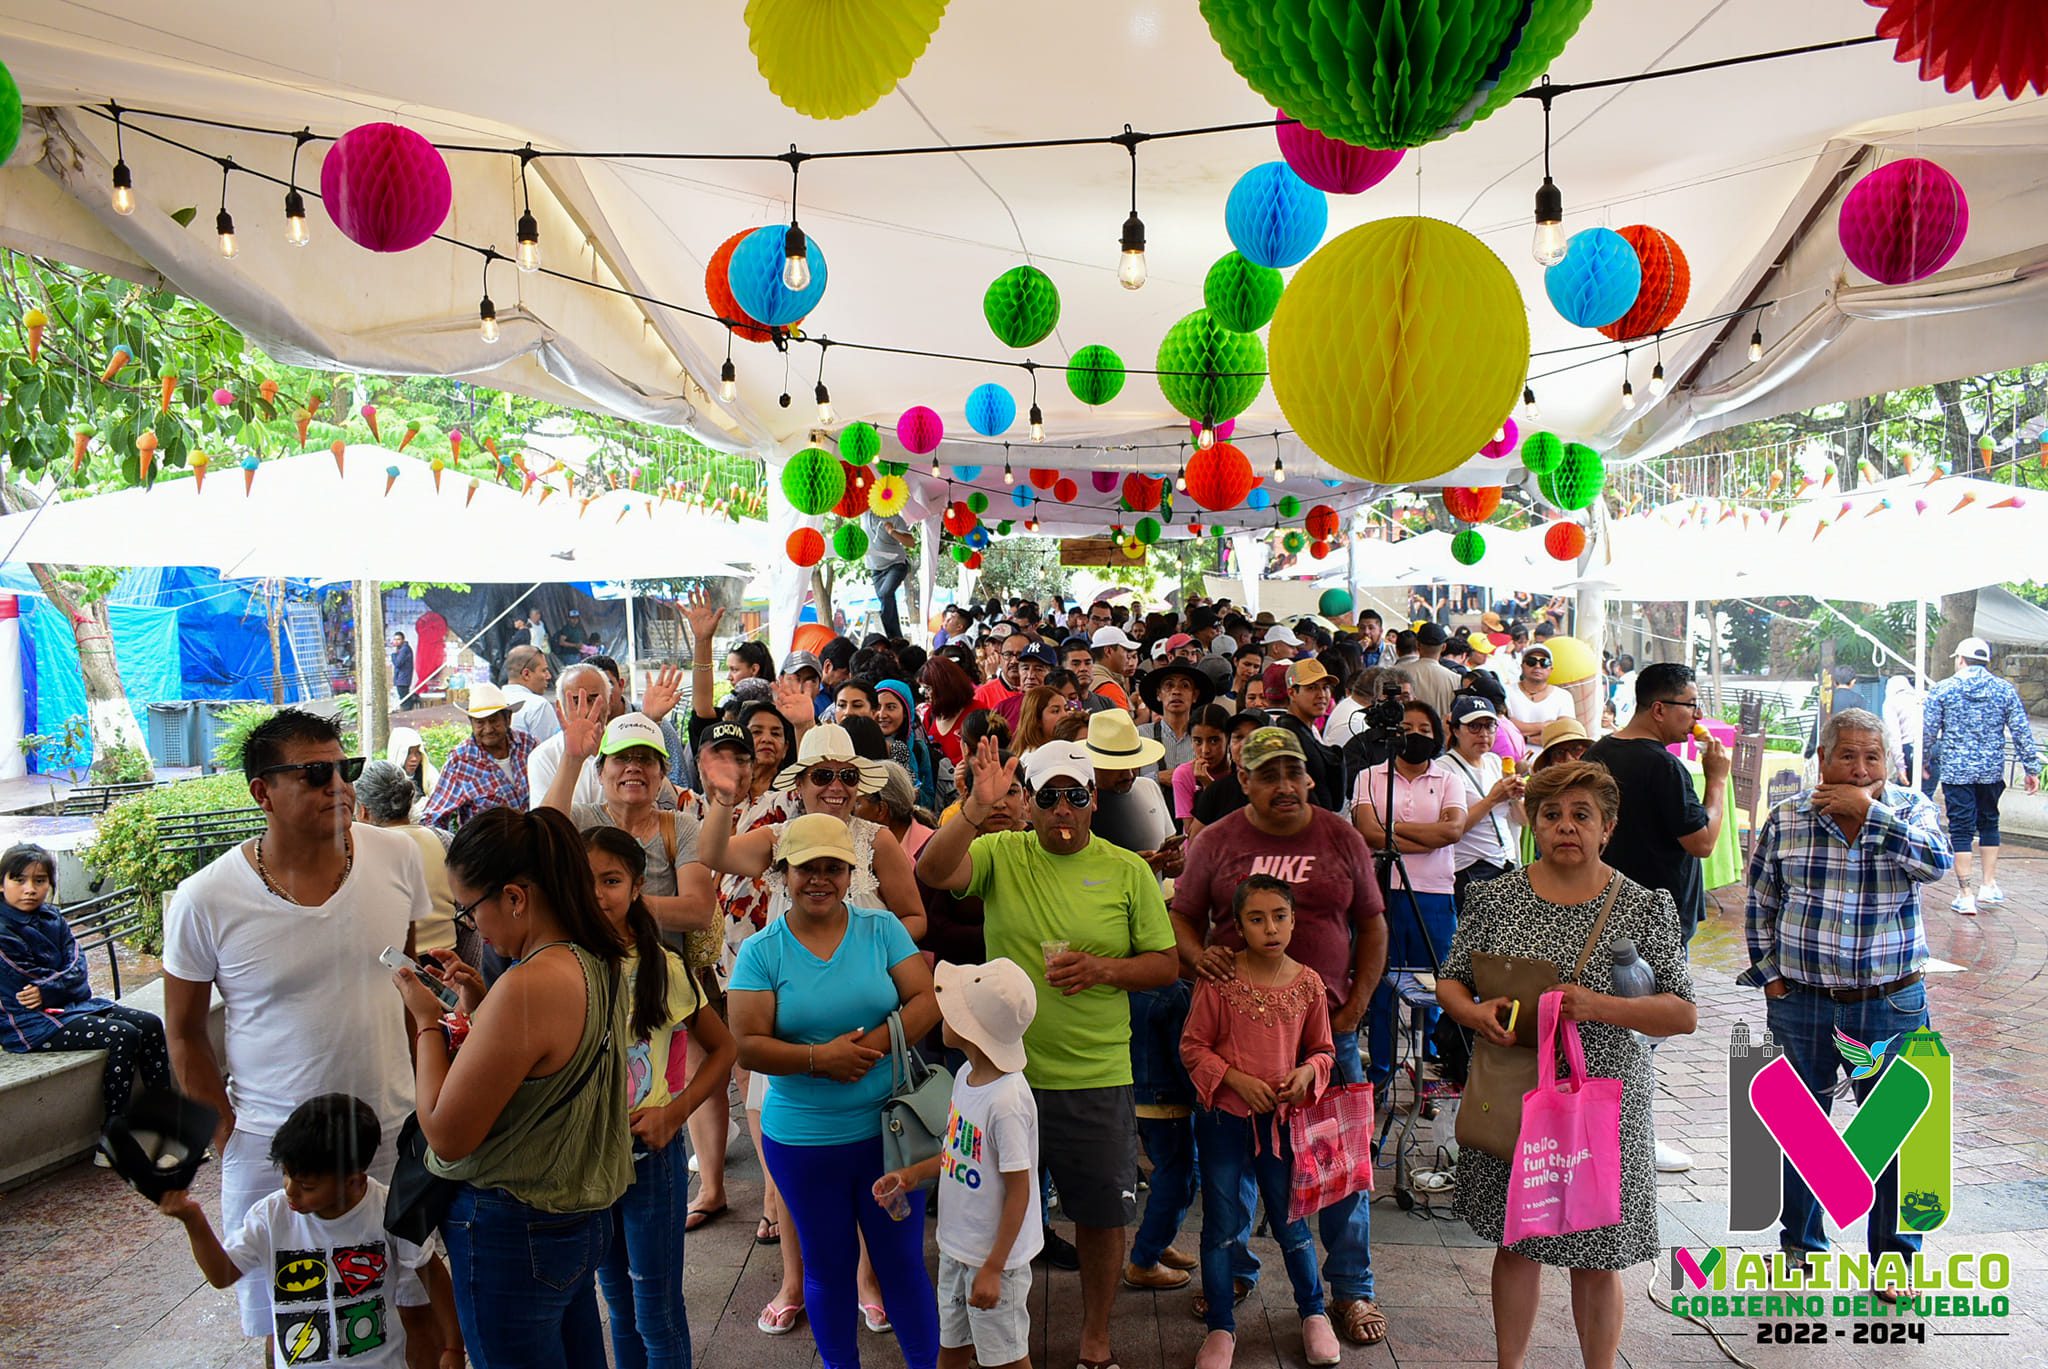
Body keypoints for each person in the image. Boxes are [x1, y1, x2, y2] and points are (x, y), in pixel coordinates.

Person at [163, 709, 429, 1352]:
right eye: (315, 774)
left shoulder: (398, 856)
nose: (338, 786)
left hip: (393, 1135)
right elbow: (184, 1034)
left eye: (347, 769)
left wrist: (427, 1102)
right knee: (293, 1328)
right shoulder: (205, 898)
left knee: (417, 1303)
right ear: (263, 792)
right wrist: (229, 1136)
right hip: (274, 1155)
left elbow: (407, 985)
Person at [916, 739, 1179, 1369]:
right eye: (1049, 796)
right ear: (1029, 804)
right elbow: (933, 873)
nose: (1063, 808)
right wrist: (975, 809)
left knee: (1099, 1212)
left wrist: (1103, 969)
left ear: (1092, 804)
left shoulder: (1127, 869)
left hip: (1095, 1072)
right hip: (1004, 1071)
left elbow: (1166, 965)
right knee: (993, 1204)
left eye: (1076, 796)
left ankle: (1095, 1334)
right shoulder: (1000, 851)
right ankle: (1002, 1330)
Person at [1436, 761, 1698, 1369]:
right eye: (1552, 814)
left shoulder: (1643, 905)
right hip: (1517, 1094)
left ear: (1607, 827)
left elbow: (1682, 1012)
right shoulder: (1496, 897)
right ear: (1532, 822)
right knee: (1519, 1242)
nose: (1566, 827)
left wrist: (1597, 1004)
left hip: (1605, 1102)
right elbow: (1450, 980)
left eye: (1582, 815)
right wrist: (1475, 1015)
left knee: (1597, 1252)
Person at [392, 807, 633, 1366]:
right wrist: (479, 1005)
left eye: (470, 911)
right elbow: (539, 1072)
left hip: (511, 1229)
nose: (474, 927)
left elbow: (447, 1134)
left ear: (516, 897)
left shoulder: (527, 985)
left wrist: (426, 1020)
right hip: (575, 1218)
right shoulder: (596, 956)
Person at [1173, 728, 1389, 1345]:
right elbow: (1183, 919)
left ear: (1311, 778)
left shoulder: (1341, 836)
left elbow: (1372, 925)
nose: (1285, 786)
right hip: (1236, 1035)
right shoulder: (1217, 841)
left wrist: (1355, 1008)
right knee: (1235, 1161)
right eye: (1268, 775)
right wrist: (1199, 959)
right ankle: (1234, 1270)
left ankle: (1350, 1290)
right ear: (1245, 781)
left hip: (1324, 1031)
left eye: (1294, 772)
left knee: (1339, 1165)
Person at [1739, 708, 1952, 1289]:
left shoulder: (1910, 811)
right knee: (1804, 1135)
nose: (1860, 768)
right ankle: (1801, 1252)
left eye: (1872, 756)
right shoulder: (1786, 820)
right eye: (1848, 755)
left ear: (1887, 762)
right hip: (1802, 1001)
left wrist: (1874, 816)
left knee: (1895, 1135)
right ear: (1823, 760)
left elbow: (1938, 866)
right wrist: (1773, 980)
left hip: (1889, 1002)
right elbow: (1760, 903)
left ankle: (1894, 1262)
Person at [728, 814, 942, 1368]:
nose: (819, 880)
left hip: (889, 1137)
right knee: (826, 1267)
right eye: (806, 869)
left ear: (853, 873)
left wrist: (866, 1048)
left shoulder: (881, 929)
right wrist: (821, 1060)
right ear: (783, 874)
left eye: (834, 868)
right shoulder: (761, 951)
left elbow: (926, 1000)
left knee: (901, 1266)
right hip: (803, 1144)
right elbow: (747, 1045)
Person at [155, 1093, 461, 1369]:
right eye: (287, 1175)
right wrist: (194, 1221)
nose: (290, 1190)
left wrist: (452, 1345)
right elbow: (222, 1275)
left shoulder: (388, 1210)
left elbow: (430, 1272)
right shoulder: (270, 1217)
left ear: (354, 1181)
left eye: (307, 1186)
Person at [584, 825, 737, 1369]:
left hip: (651, 1163)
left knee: (656, 1313)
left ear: (637, 885)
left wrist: (674, 1113)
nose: (598, 893)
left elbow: (723, 1049)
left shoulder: (661, 968)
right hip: (591, 1165)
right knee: (617, 1309)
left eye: (610, 879)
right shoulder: (562, 968)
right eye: (585, 880)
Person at [1181, 877, 1339, 1369]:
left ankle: (1314, 1313)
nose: (1269, 927)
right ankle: (1221, 1328)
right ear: (1238, 925)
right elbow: (1193, 1046)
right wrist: (1233, 1079)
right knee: (1223, 1225)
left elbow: (1324, 1051)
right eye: (1256, 918)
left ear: (1294, 921)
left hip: (1285, 1128)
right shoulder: (1220, 981)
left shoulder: (1309, 983)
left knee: (1292, 1225)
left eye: (1279, 916)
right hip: (1225, 1123)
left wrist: (1306, 1073)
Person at [875, 958, 1041, 1369]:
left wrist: (993, 1267)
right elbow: (958, 1152)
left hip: (994, 1261)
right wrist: (911, 1174)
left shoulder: (1007, 1102)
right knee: (951, 1346)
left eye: (953, 1010)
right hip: (957, 1247)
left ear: (973, 1031)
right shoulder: (967, 1075)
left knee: (1005, 1358)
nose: (941, 1014)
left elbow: (1020, 1190)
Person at [0, 841, 173, 1121]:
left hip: (70, 1007)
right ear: (1, 884)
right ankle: (113, 1137)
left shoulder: (52, 916)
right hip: (29, 1025)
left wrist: (50, 990)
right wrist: (60, 988)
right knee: (123, 1035)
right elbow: (25, 986)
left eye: (39, 880)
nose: (30, 889)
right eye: (18, 880)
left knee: (150, 1024)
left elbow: (78, 966)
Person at [1351, 701, 1465, 1089]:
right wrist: (1422, 833)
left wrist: (1393, 828)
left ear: (1438, 735)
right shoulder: (1369, 777)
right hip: (1384, 894)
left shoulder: (1448, 779)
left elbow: (1451, 833)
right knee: (1382, 991)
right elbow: (1367, 831)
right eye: (1406, 727)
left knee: (1438, 989)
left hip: (1434, 894)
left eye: (1424, 728)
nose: (1414, 735)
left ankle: (1428, 1074)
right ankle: (1381, 1076)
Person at [1922, 636, 2041, 914]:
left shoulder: (1943, 690)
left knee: (1961, 829)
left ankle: (1965, 893)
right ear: (1986, 662)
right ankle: (1988, 885)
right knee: (1989, 823)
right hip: (1990, 771)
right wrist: (2031, 769)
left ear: (1960, 660)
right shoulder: (2004, 690)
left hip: (1956, 772)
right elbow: (2021, 731)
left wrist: (1924, 761)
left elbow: (1927, 732)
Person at [355, 762, 465, 962]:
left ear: (363, 811)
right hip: (449, 956)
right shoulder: (442, 839)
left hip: (394, 962)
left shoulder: (362, 849)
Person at [1442, 696, 1524, 905]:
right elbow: (1450, 830)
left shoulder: (1494, 761)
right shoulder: (1444, 769)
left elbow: (1523, 820)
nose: (1483, 734)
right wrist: (1492, 799)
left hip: (1506, 862)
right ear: (1456, 730)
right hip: (1471, 868)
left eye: (1489, 726)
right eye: (1474, 727)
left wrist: (1515, 796)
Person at [421, 684, 536, 831]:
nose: (488, 729)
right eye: (480, 722)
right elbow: (433, 818)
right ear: (471, 723)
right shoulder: (460, 760)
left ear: (508, 718)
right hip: (487, 851)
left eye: (494, 720)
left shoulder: (528, 745)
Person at [526, 662, 614, 810]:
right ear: (560, 707)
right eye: (576, 701)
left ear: (609, 703)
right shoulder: (543, 756)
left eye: (593, 699)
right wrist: (572, 759)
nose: (585, 710)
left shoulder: (626, 746)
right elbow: (545, 823)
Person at [1268, 658, 1345, 812]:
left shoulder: (1305, 731)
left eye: (1326, 687)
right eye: (1311, 688)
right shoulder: (1288, 736)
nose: (1322, 694)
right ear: (1292, 693)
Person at [1188, 709, 1267, 836]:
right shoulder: (1216, 791)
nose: (1245, 744)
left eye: (1255, 736)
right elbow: (1194, 846)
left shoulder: (1289, 787)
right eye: (1238, 737)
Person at [875, 678, 947, 812]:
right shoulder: (862, 744)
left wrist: (914, 794)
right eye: (877, 707)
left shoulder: (917, 748)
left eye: (891, 707)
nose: (882, 714)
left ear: (906, 712)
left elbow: (930, 798)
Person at [1138, 659, 1213, 781]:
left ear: (1195, 695)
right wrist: (1158, 778)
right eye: (1169, 685)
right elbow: (1129, 783)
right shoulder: (1141, 735)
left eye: (1185, 686)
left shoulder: (1205, 739)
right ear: (1159, 694)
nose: (1176, 691)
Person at [1170, 704, 1233, 828]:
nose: (1205, 750)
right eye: (1198, 741)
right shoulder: (1184, 775)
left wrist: (1211, 787)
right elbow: (1192, 834)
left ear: (1228, 738)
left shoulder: (1239, 773)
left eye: (1214, 740)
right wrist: (1208, 790)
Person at [862, 507, 917, 640]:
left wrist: (892, 532)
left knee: (885, 594)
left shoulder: (894, 517)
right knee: (888, 601)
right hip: (876, 569)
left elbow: (911, 542)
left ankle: (886, 635)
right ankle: (896, 638)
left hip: (896, 564)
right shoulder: (864, 513)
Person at [1503, 643, 1573, 743]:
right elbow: (1503, 728)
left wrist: (1525, 738)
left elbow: (1564, 734)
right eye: (1531, 661)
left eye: (1544, 662)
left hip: (1550, 757)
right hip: (1512, 757)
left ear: (1551, 669)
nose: (1537, 666)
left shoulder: (1563, 696)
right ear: (1522, 666)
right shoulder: (1506, 692)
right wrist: (1545, 726)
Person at [920, 656, 979, 769]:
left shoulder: (977, 711)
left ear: (943, 688)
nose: (926, 694)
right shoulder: (930, 714)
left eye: (928, 689)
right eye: (924, 689)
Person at [1391, 623, 1457, 721]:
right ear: (1443, 647)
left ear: (1417, 645)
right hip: (1442, 735)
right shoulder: (1455, 679)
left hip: (1408, 734)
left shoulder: (1398, 675)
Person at [501, 644, 560, 743]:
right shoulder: (538, 706)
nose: (549, 676)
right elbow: (549, 752)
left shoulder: (495, 701)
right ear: (526, 674)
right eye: (544, 670)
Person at [1011, 684, 1078, 756]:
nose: (1065, 715)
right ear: (1037, 719)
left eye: (1066, 709)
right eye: (1056, 711)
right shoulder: (1032, 757)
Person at [386, 725, 440, 805]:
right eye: (409, 753)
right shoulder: (385, 778)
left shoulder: (429, 774)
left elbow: (438, 802)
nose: (414, 759)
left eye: (417, 753)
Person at [391, 630, 415, 705]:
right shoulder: (401, 649)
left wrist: (394, 654)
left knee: (404, 700)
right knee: (403, 697)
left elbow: (398, 663)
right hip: (401, 678)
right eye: (395, 639)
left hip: (403, 678)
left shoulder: (404, 649)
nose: (396, 641)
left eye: (398, 639)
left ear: (403, 640)